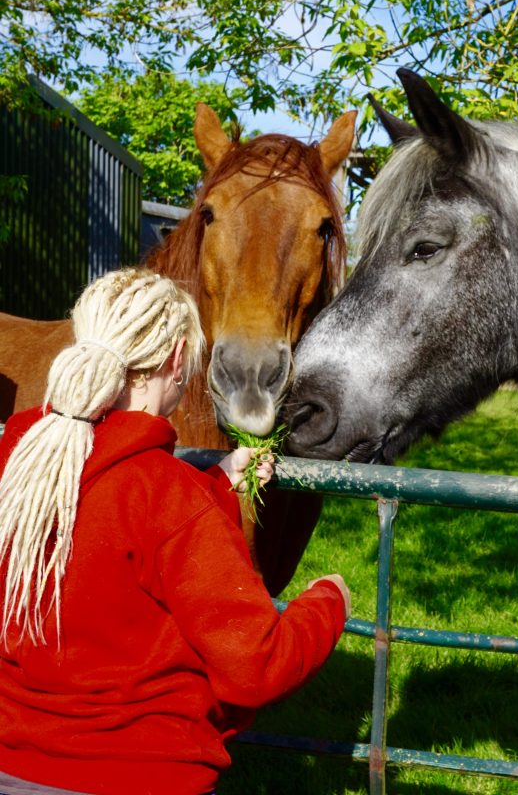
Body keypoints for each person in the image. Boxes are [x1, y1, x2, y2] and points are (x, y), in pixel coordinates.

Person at [0, 267, 350, 795]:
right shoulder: (168, 499)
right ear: (175, 360)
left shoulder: (20, 461)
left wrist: (217, 484)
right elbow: (258, 664)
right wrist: (328, 602)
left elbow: (112, 521)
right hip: (145, 774)